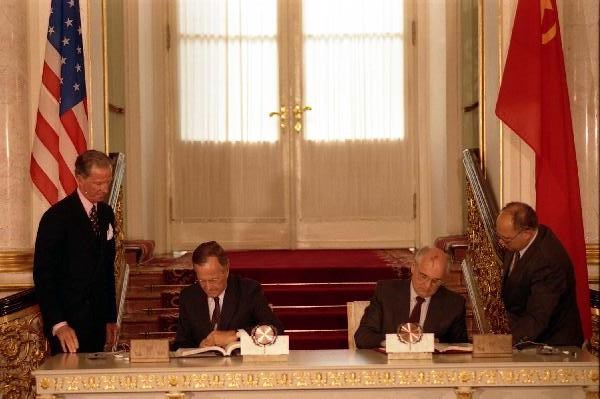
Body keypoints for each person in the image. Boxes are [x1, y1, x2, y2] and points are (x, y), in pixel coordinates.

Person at [33, 150, 117, 354]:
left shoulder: (106, 214)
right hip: (68, 327)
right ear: (79, 179)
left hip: (98, 325)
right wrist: (58, 324)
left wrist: (110, 318)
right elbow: (44, 276)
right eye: (98, 183)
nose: (105, 189)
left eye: (107, 182)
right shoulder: (56, 217)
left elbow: (106, 270)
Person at [496, 202, 583, 346]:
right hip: (528, 334)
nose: (501, 243)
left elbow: (537, 317)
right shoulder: (518, 241)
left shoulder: (548, 261)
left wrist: (503, 344)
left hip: (552, 347)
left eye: (506, 239)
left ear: (527, 233)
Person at [173, 241, 284, 350]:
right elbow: (180, 343)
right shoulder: (188, 296)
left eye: (213, 280)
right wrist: (199, 348)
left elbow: (275, 329)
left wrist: (235, 335)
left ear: (226, 270)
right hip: (203, 365)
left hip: (241, 365)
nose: (208, 287)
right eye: (202, 280)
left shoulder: (248, 290)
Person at [355, 246, 467, 349]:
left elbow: (459, 347)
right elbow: (362, 337)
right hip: (390, 365)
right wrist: (394, 343)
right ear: (413, 267)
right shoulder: (386, 292)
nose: (427, 286)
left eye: (435, 281)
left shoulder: (454, 304)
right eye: (423, 276)